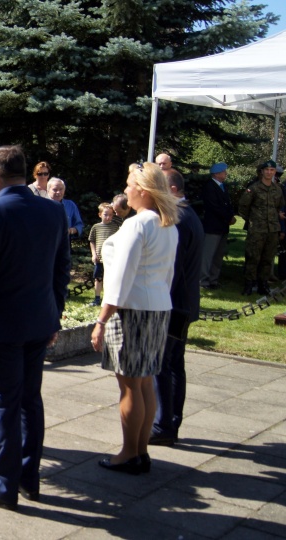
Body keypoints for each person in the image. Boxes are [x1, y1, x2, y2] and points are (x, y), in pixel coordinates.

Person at [0, 145, 70, 509]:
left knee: (4, 406)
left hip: (1, 329)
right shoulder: (53, 213)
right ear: (24, 174)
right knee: (29, 402)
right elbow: (61, 271)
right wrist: (54, 317)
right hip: (39, 322)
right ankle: (28, 478)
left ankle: (4, 485)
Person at [91, 161, 178, 476]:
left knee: (130, 387)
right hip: (156, 308)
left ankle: (130, 452)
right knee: (143, 385)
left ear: (142, 189)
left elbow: (120, 279)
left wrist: (101, 321)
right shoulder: (166, 223)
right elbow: (167, 274)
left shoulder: (138, 224)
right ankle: (140, 452)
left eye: (129, 184)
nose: (126, 190)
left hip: (130, 312)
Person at [151, 172, 204, 447]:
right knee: (173, 364)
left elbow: (173, 267)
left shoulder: (179, 219)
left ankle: (164, 424)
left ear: (172, 189)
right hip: (183, 302)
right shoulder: (187, 214)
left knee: (165, 365)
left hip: (174, 304)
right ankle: (170, 421)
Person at [238, 160, 285, 295]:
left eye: (272, 170)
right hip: (257, 229)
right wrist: (252, 219)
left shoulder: (278, 189)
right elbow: (243, 207)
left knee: (267, 258)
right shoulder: (254, 188)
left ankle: (263, 285)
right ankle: (248, 284)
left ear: (274, 172)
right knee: (253, 257)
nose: (269, 172)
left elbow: (278, 207)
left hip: (272, 229)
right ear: (262, 171)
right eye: (267, 170)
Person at [199, 162, 236, 289]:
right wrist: (228, 217)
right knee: (208, 255)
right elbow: (214, 206)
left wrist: (231, 215)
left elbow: (228, 204)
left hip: (222, 226)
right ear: (216, 174)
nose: (225, 174)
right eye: (223, 172)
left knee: (218, 255)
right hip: (212, 226)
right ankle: (203, 281)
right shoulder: (209, 187)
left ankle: (213, 280)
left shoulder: (223, 186)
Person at [88, 203, 119, 306]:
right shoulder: (96, 227)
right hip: (99, 259)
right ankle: (97, 298)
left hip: (111, 259)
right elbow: (91, 240)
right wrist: (94, 254)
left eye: (111, 215)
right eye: (106, 214)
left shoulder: (115, 227)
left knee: (110, 279)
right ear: (100, 214)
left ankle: (108, 299)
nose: (108, 217)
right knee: (98, 278)